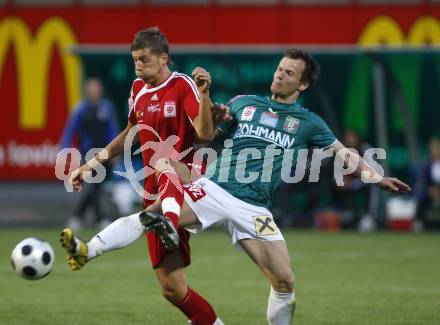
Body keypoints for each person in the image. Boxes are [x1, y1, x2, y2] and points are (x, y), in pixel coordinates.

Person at [144, 49, 411, 324]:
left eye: (289, 72)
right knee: (153, 216)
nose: (280, 74)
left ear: (303, 84)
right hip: (217, 190)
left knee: (284, 280)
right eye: (280, 68)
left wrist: (376, 177)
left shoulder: (309, 122)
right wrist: (209, 104)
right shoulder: (244, 103)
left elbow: (344, 153)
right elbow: (205, 134)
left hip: (254, 208)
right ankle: (97, 247)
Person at [60, 27, 225, 325]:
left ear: (164, 58)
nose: (138, 65)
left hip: (188, 178)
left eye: (144, 59)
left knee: (162, 170)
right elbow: (130, 134)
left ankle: (94, 248)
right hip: (156, 185)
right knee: (173, 289)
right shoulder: (137, 89)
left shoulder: (183, 84)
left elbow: (203, 134)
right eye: (135, 59)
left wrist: (203, 94)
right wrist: (90, 164)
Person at [59, 77, 119, 231]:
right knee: (93, 187)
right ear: (87, 90)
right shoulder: (80, 109)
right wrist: (65, 151)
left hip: (105, 154)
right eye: (92, 88)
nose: (95, 91)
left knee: (98, 187)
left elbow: (113, 130)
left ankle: (78, 217)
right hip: (88, 154)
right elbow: (69, 132)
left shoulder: (107, 107)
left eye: (97, 88)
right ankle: (101, 219)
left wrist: (116, 152)